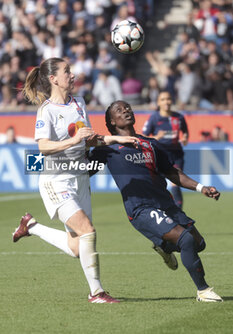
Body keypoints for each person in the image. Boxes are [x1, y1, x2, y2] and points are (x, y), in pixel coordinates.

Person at [12, 58, 138, 304]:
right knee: (87, 231)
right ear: (53, 79)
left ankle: (32, 226)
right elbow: (44, 147)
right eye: (66, 71)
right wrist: (73, 140)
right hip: (55, 180)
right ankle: (97, 293)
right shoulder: (46, 110)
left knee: (78, 248)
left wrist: (114, 140)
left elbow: (88, 139)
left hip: (79, 179)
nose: (72, 74)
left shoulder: (79, 103)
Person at [89, 100, 223, 302]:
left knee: (198, 244)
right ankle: (203, 290)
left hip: (166, 203)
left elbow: (171, 172)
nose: (126, 110)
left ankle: (165, 247)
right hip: (140, 208)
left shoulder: (150, 144)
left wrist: (201, 187)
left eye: (127, 107)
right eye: (119, 109)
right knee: (185, 239)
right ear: (111, 121)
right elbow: (84, 171)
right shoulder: (107, 149)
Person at [142, 91, 189, 208]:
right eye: (163, 99)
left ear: (171, 101)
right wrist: (157, 137)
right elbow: (143, 136)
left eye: (168, 99)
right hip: (159, 155)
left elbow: (185, 132)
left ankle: (178, 212)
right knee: (159, 185)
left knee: (176, 183)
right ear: (158, 102)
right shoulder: (154, 118)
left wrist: (185, 138)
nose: (166, 102)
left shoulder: (179, 117)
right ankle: (162, 209)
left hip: (176, 155)